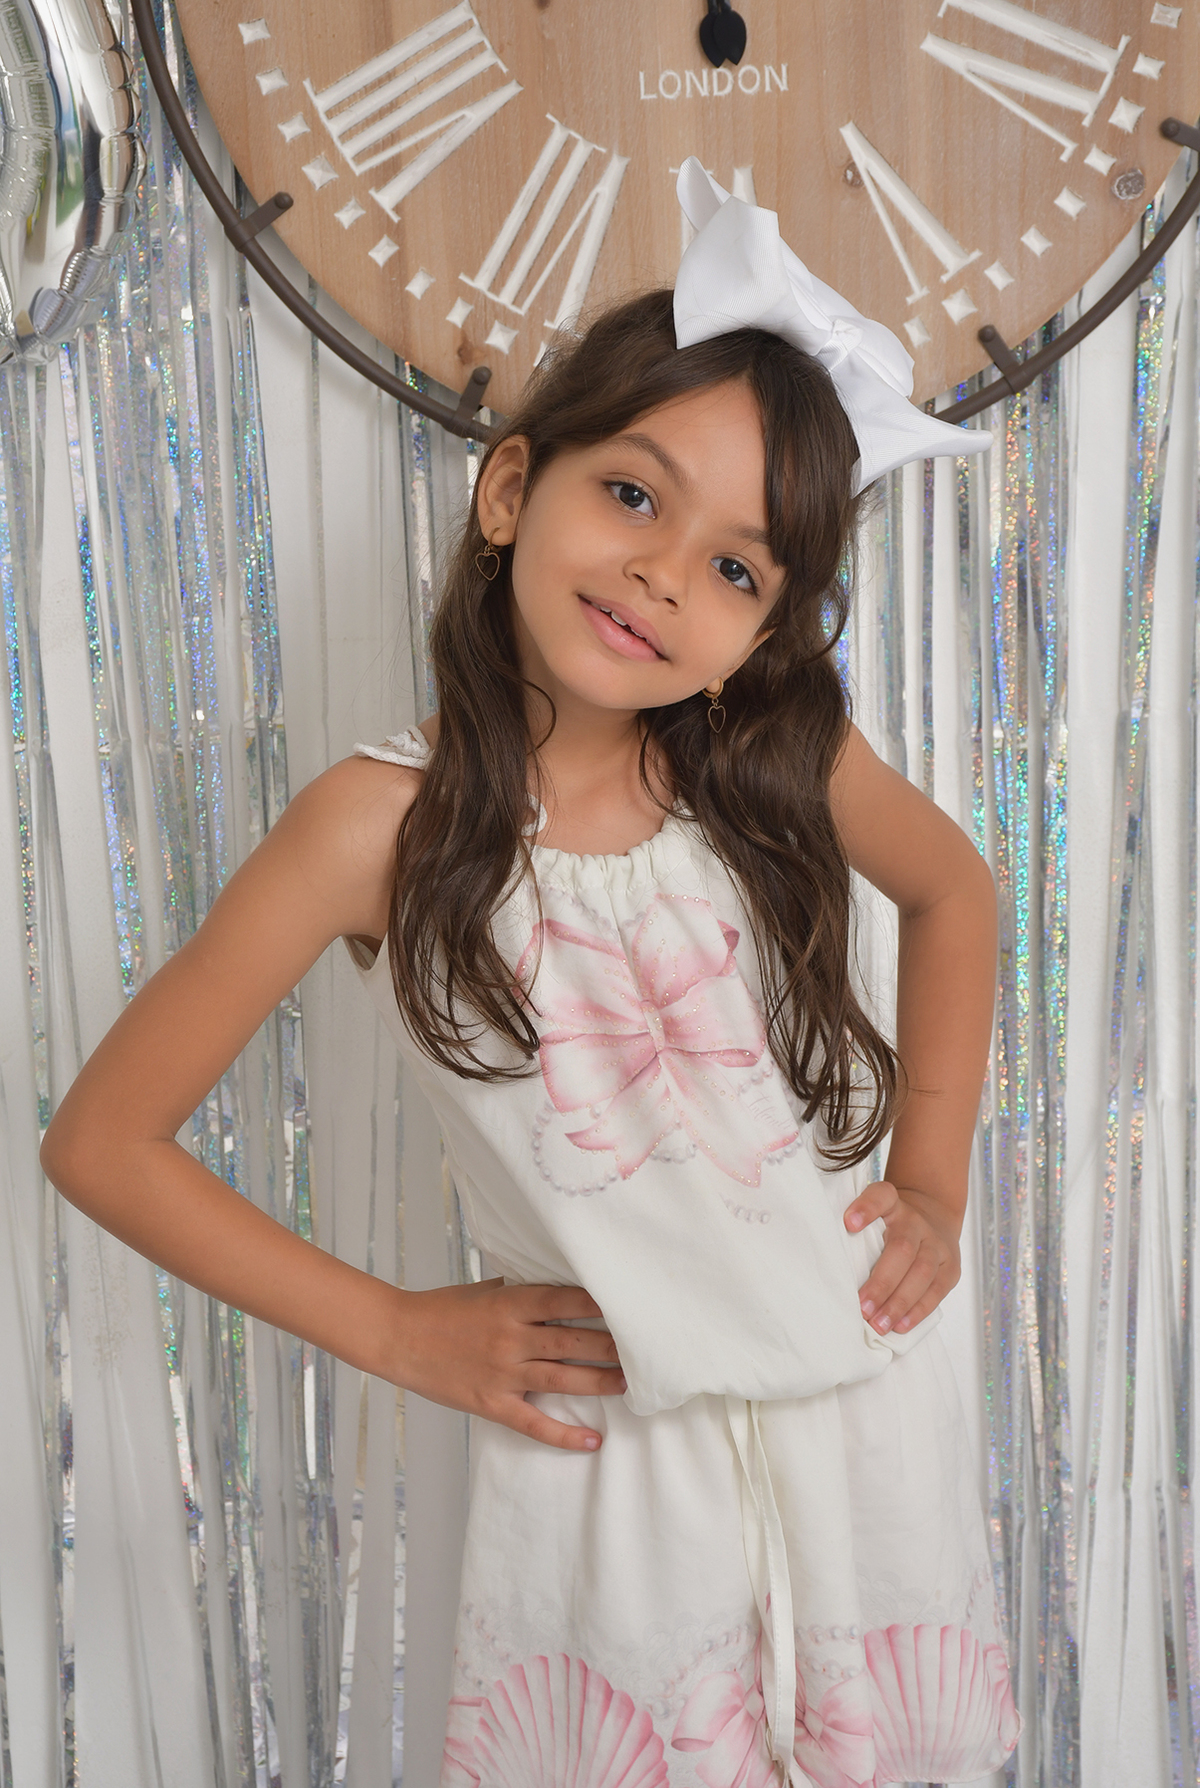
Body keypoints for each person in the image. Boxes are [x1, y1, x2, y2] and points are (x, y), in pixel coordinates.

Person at [42, 161, 1020, 1785]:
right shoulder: (379, 825)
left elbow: (956, 890)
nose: (664, 573)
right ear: (511, 489)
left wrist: (931, 1179)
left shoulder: (770, 761)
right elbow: (103, 1141)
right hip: (607, 1463)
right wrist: (399, 1332)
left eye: (736, 569)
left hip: (867, 1420)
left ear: (763, 632)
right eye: (634, 496)